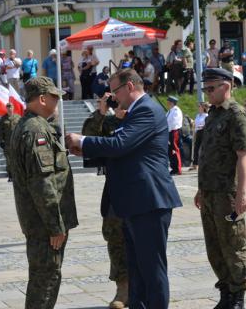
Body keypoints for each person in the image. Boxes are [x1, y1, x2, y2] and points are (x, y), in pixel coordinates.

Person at [65, 69, 182, 309]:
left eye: (115, 90)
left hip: (149, 200)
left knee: (151, 268)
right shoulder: (134, 112)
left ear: (129, 87)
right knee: (136, 269)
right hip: (133, 201)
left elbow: (120, 144)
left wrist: (84, 141)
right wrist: (86, 151)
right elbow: (124, 153)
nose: (114, 97)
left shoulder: (146, 110)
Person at [8, 76, 78, 309]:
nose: (58, 101)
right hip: (43, 224)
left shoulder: (31, 125)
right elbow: (42, 183)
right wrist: (55, 226)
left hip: (39, 221)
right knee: (45, 280)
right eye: (54, 96)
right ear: (41, 99)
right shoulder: (36, 130)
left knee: (45, 277)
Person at [195, 67, 246, 309]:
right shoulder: (213, 115)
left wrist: (242, 194)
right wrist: (200, 189)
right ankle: (225, 292)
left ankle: (238, 296)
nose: (207, 93)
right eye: (205, 88)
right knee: (214, 246)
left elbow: (243, 156)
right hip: (209, 192)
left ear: (226, 86)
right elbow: (206, 155)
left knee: (233, 245)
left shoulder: (236, 115)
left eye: (211, 88)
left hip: (227, 192)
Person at [81, 99, 129, 308]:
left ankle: (142, 286)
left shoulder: (142, 117)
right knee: (115, 237)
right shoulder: (109, 122)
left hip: (141, 188)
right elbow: (89, 137)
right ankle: (123, 288)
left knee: (142, 239)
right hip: (115, 189)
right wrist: (101, 112)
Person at [0, 103, 21, 181]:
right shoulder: (2, 119)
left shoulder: (18, 118)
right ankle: (10, 175)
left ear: (13, 108)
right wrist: (1, 141)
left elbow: (21, 129)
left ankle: (18, 175)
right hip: (7, 144)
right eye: (8, 107)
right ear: (6, 109)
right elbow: (0, 131)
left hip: (17, 143)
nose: (9, 109)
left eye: (11, 107)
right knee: (9, 160)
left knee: (18, 159)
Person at [166, 96, 183, 175]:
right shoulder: (170, 111)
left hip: (174, 131)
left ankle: (178, 169)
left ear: (172, 102)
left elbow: (174, 123)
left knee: (175, 149)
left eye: (168, 101)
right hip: (169, 132)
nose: (167, 103)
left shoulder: (176, 110)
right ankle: (174, 168)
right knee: (170, 151)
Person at [190, 102, 209, 171]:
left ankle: (205, 163)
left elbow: (206, 125)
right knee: (196, 148)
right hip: (198, 132)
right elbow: (195, 124)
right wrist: (193, 124)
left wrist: (202, 126)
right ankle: (195, 164)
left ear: (203, 107)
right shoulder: (198, 115)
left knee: (204, 148)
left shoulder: (206, 115)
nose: (198, 107)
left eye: (199, 106)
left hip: (203, 132)